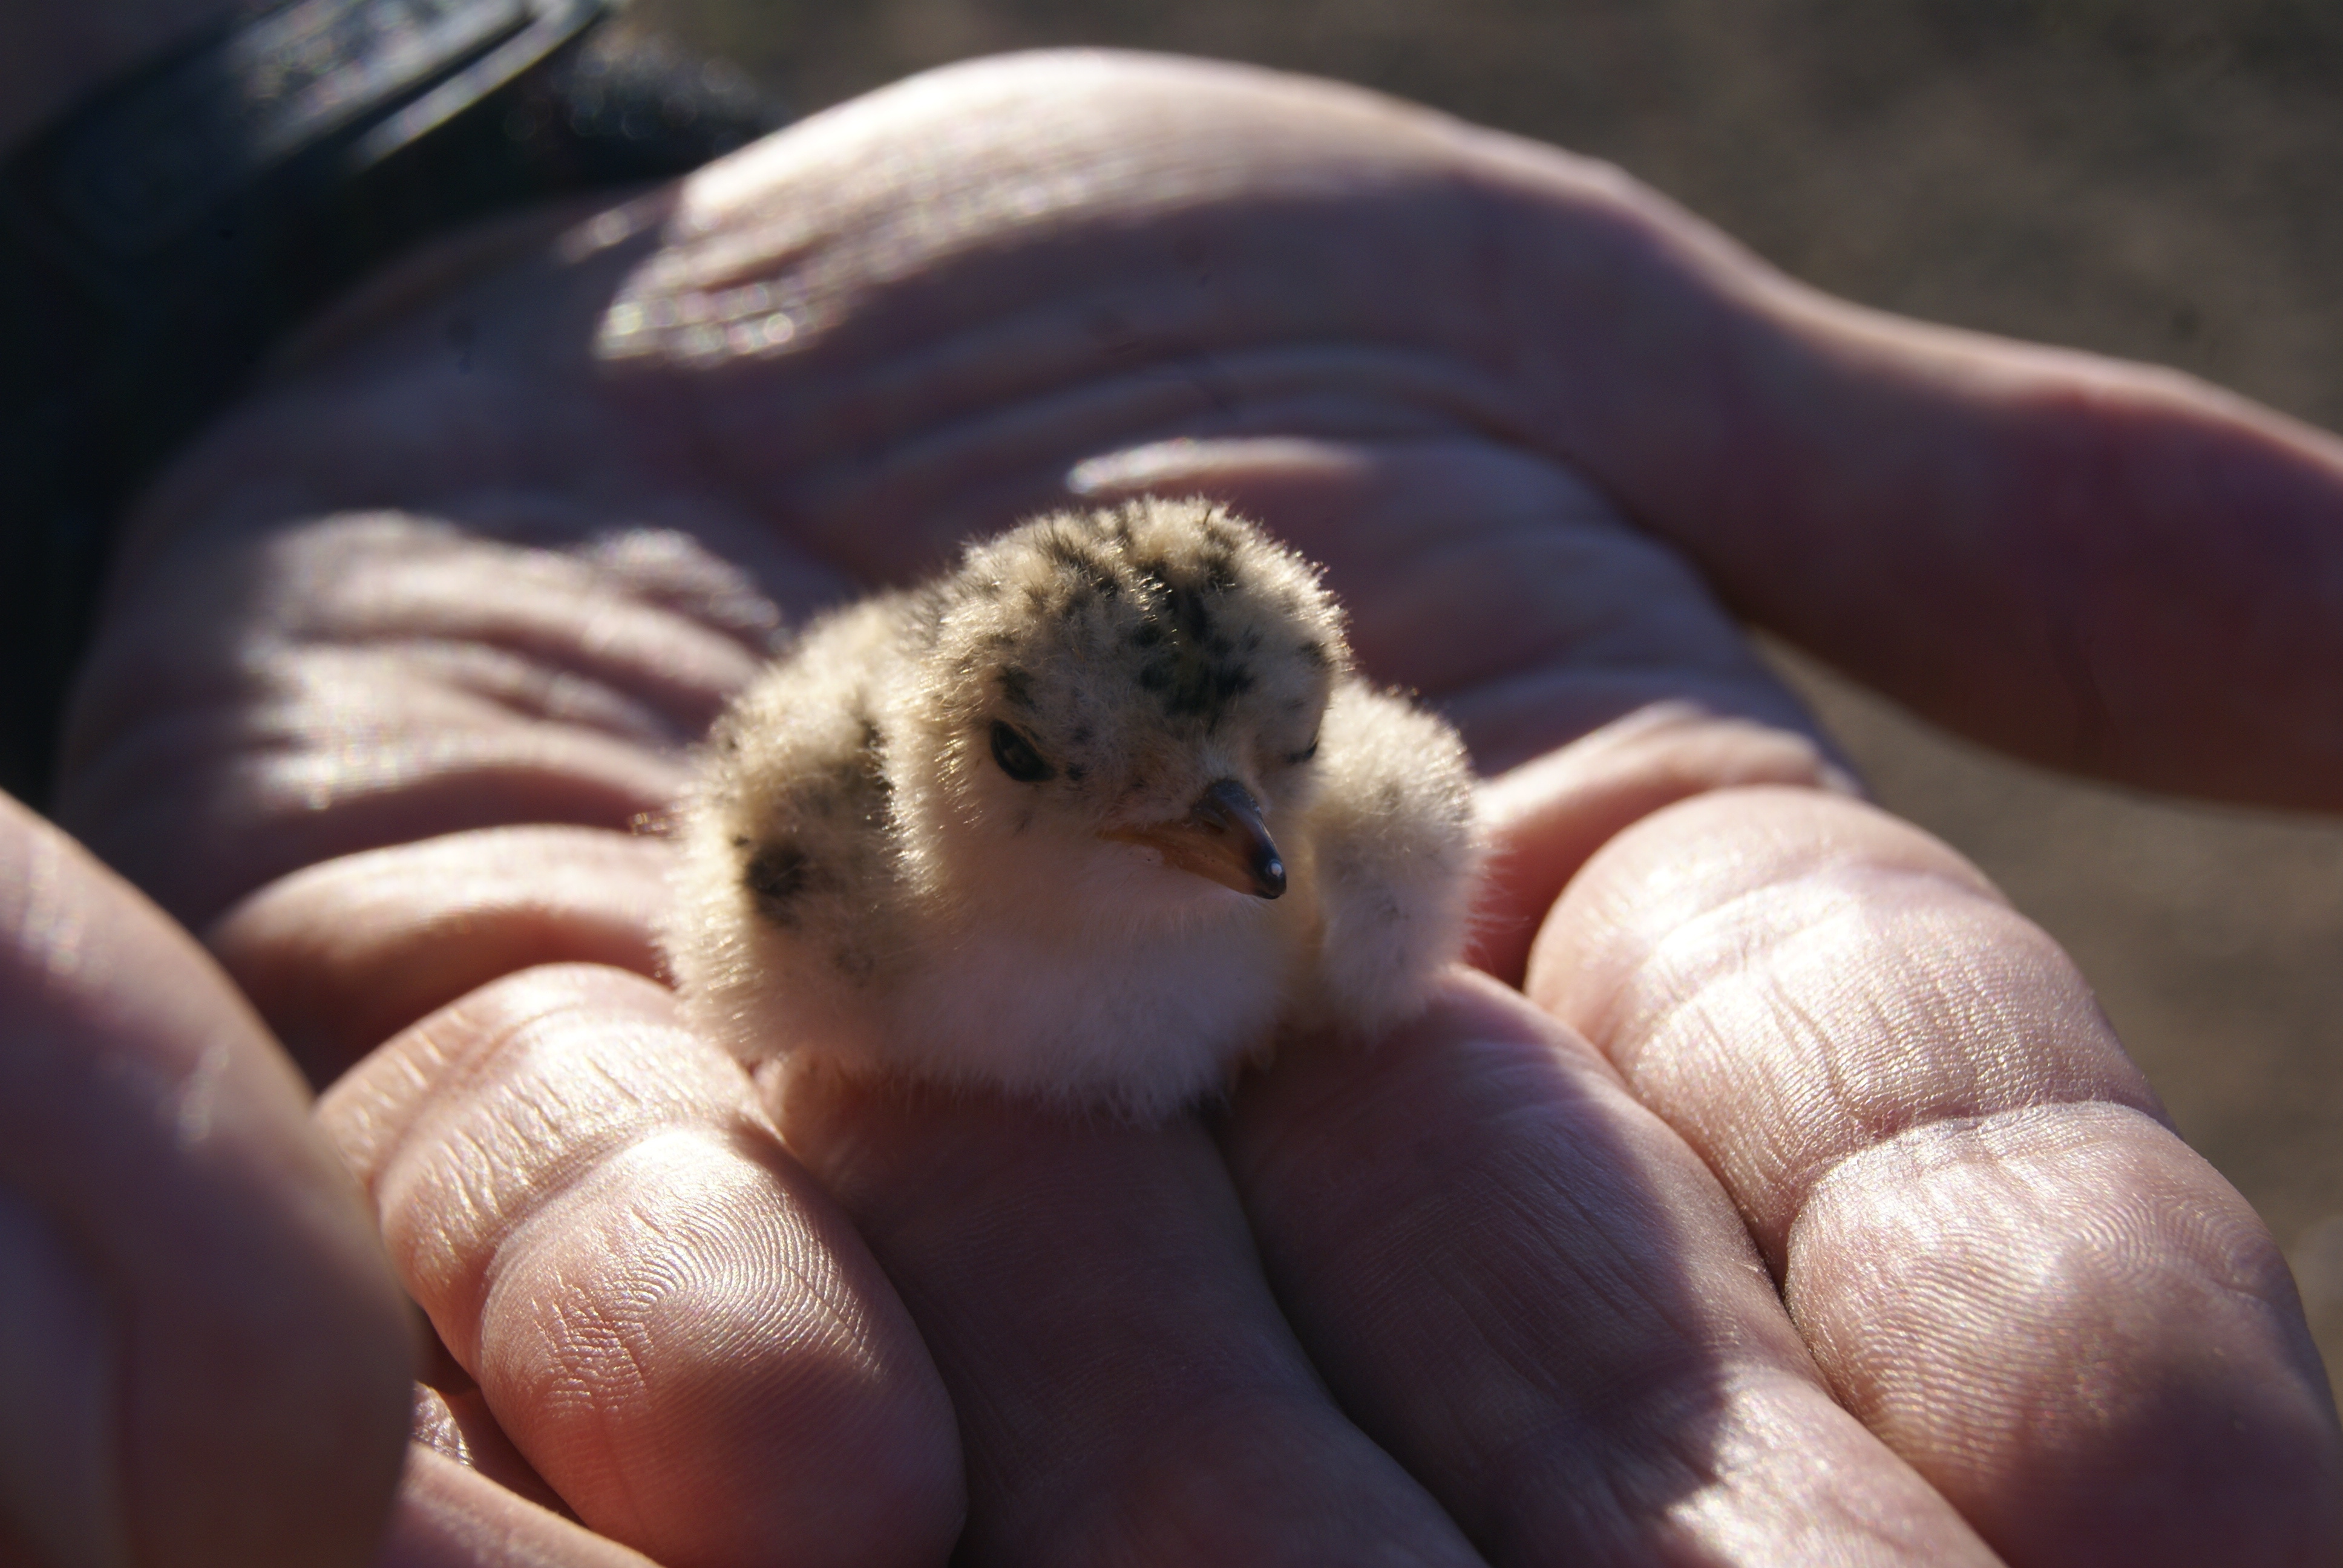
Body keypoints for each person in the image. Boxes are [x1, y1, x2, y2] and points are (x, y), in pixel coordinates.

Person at [6, 27, 2342, 1568]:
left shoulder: (1349, 857)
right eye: (1099, 782)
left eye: (1265, 781)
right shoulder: (842, 890)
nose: (1239, 847)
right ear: (953, 770)